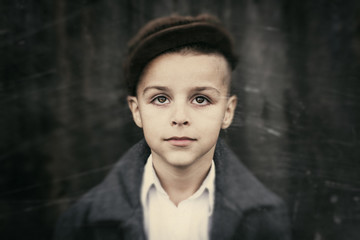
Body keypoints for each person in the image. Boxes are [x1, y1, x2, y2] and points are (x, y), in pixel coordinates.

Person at [54, 14, 291, 240]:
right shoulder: (82, 221)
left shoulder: (266, 218)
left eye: (200, 99)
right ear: (137, 111)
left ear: (227, 112)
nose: (179, 118)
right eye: (160, 99)